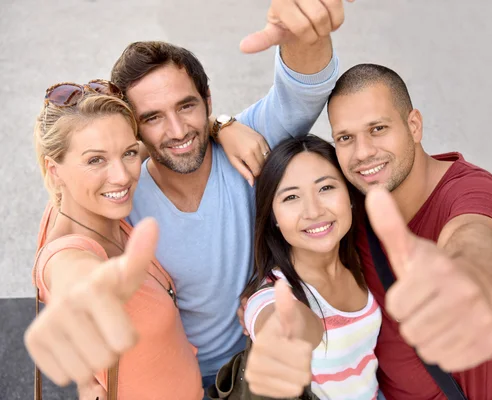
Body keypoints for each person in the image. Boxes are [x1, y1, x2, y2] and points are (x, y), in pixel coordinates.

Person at [108, 0, 350, 394]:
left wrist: (305, 31)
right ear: (133, 127)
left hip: (253, 372)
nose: (177, 130)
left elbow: (305, 87)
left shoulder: (252, 140)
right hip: (169, 380)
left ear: (207, 100)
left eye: (186, 106)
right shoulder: (124, 198)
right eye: (152, 118)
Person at [327, 64, 492, 399]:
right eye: (346, 138)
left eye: (377, 128)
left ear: (413, 125)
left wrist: (463, 276)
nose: (362, 153)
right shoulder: (349, 204)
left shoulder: (473, 192)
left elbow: (475, 236)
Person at [25, 83, 203, 399]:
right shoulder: (66, 251)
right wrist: (85, 293)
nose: (122, 176)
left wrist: (223, 126)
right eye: (96, 160)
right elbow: (72, 276)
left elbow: (168, 139)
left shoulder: (75, 203)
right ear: (55, 171)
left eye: (129, 153)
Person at [241, 135, 382, 400]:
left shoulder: (361, 262)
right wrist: (282, 335)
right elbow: (283, 322)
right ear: (274, 218)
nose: (314, 211)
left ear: (349, 195)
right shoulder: (270, 295)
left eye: (326, 188)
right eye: (291, 197)